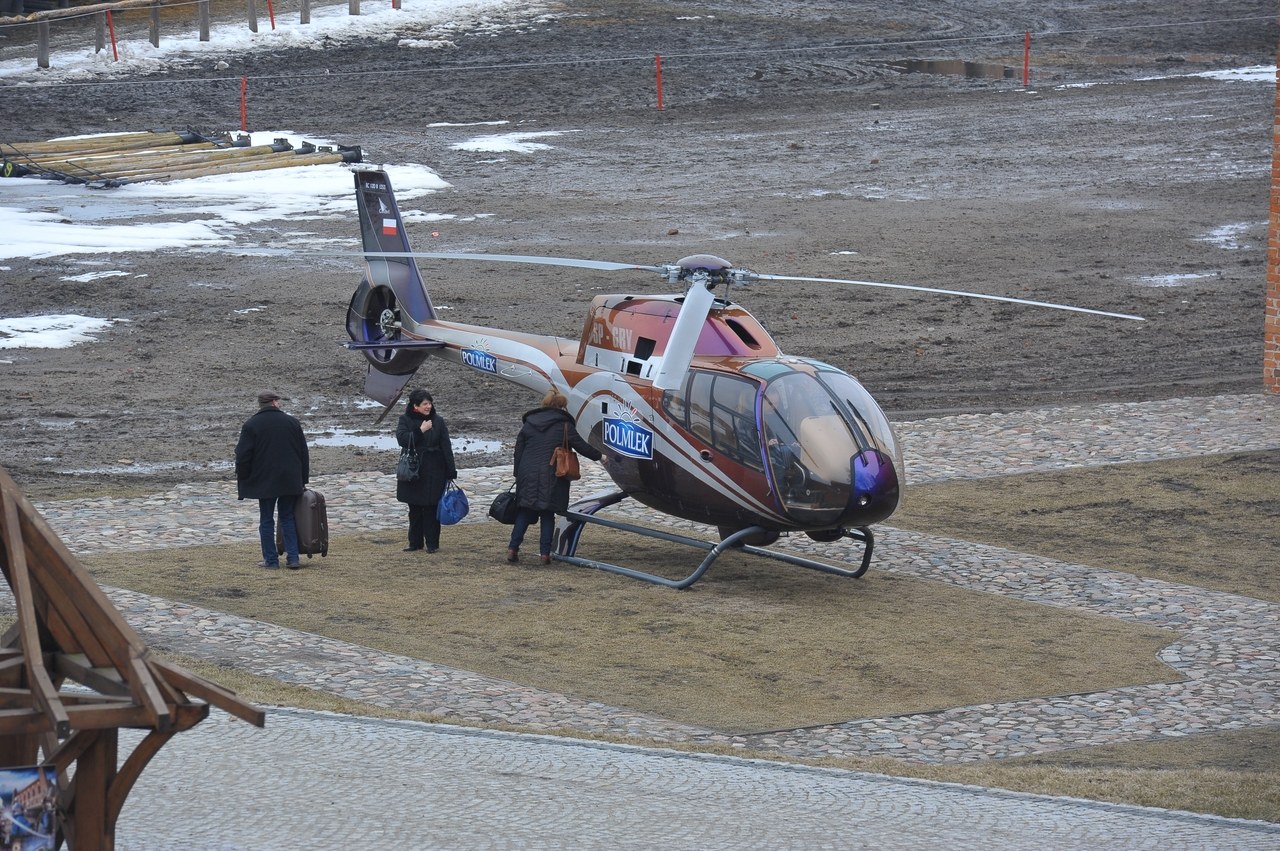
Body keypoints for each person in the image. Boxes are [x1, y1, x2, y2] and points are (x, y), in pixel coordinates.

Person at [507, 390, 603, 564]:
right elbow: (581, 446)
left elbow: (518, 452)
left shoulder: (528, 424)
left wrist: (518, 474)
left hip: (527, 473)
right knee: (547, 513)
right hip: (552, 475)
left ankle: (513, 548)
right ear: (561, 407)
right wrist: (601, 456)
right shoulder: (564, 426)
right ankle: (545, 554)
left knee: (524, 512)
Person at [235, 390, 309, 569]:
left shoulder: (251, 425)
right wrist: (303, 479)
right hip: (290, 479)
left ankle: (271, 560)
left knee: (266, 520)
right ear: (275, 402)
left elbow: (242, 455)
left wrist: (244, 477)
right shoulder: (292, 422)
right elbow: (303, 453)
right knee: (287, 517)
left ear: (261, 404)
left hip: (264, 480)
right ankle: (293, 559)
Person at [395, 389, 457, 553]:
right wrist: (420, 430)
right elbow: (402, 440)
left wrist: (451, 469)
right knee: (414, 509)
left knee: (431, 508)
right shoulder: (405, 420)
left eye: (430, 403)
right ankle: (415, 543)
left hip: (434, 470)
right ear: (415, 406)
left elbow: (446, 446)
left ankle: (432, 544)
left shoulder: (438, 421)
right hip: (413, 470)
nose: (428, 406)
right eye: (425, 404)